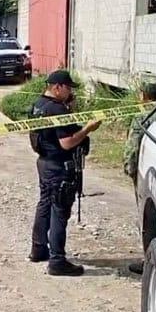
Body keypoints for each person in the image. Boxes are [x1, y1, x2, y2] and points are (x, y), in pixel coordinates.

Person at [28, 70, 101, 276]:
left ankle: (38, 249)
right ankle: (57, 261)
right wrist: (87, 128)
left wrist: (70, 110)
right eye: (68, 88)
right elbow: (67, 142)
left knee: (44, 204)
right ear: (57, 87)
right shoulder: (58, 110)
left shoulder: (38, 105)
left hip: (44, 162)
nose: (70, 92)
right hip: (59, 166)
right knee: (59, 211)